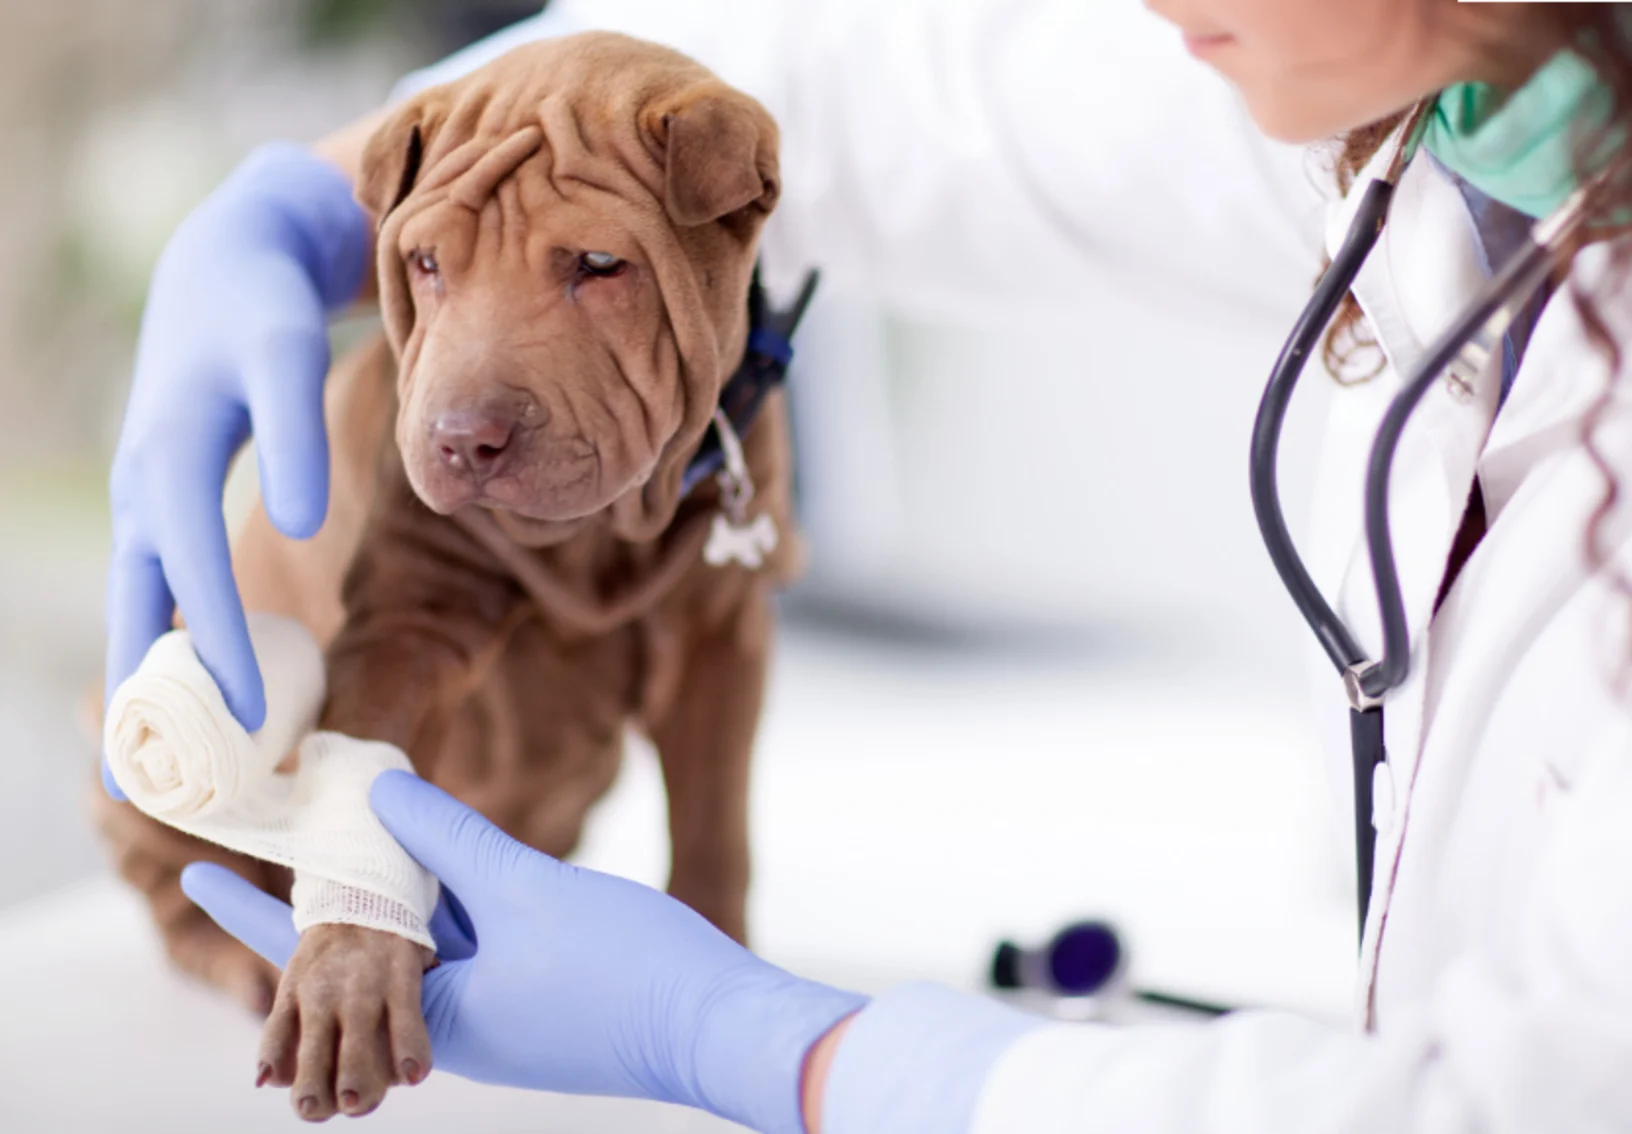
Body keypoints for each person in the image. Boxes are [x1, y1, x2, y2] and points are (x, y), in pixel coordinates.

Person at [112, 0, 1632, 1129]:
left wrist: (776, 1043)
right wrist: (320, 196)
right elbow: (862, 95)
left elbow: (1518, 1099)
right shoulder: (1442, 102)